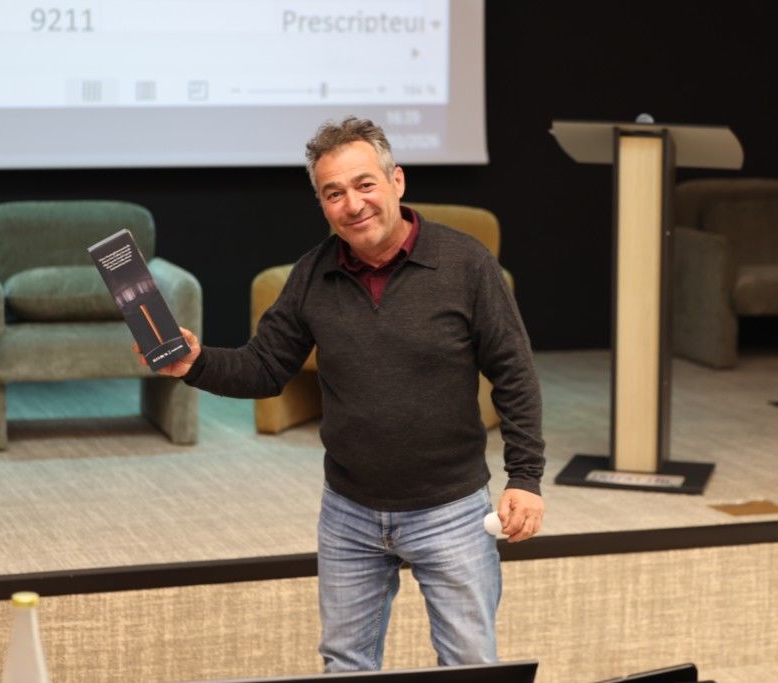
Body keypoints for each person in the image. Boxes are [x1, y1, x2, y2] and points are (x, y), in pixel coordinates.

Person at [143, 116, 545, 671]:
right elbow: (265, 368)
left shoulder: (466, 264)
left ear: (397, 181)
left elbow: (514, 373)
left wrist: (525, 478)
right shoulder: (312, 275)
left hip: (450, 510)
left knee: (470, 665)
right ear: (322, 204)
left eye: (364, 184)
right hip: (349, 513)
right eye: (334, 194)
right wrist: (196, 362)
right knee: (344, 666)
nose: (352, 205)